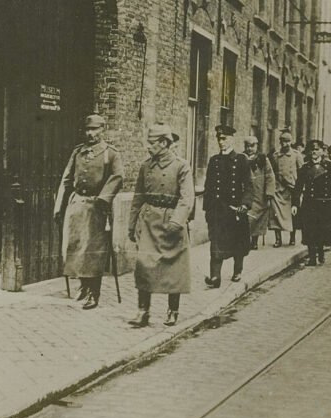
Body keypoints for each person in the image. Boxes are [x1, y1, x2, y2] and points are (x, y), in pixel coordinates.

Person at [54, 114, 124, 310]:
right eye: (88, 130)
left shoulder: (110, 154)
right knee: (76, 247)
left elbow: (118, 177)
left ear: (102, 130)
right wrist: (59, 206)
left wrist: (104, 200)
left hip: (96, 206)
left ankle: (94, 292)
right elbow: (66, 179)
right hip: (76, 204)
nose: (90, 133)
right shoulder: (78, 152)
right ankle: (83, 287)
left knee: (93, 251)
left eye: (95, 129)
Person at [128, 123, 194, 327]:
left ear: (164, 143)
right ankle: (143, 311)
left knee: (174, 268)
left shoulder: (181, 166)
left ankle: (173, 311)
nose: (148, 147)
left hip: (172, 220)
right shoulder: (146, 166)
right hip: (148, 221)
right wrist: (131, 225)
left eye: (152, 143)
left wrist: (176, 221)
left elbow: (186, 197)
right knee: (144, 266)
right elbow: (138, 197)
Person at [203, 125, 253, 287]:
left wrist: (245, 204)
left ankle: (237, 270)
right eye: (219, 138)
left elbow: (248, 185)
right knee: (216, 243)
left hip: (235, 210)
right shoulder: (214, 160)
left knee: (237, 243)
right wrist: (207, 209)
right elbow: (209, 186)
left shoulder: (241, 160)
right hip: (218, 210)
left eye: (224, 138)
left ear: (232, 139)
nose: (221, 142)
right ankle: (215, 277)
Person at [292, 140, 331, 265]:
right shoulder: (305, 168)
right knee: (310, 231)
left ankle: (321, 253)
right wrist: (295, 204)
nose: (314, 152)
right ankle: (312, 258)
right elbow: (298, 187)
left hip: (324, 204)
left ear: (322, 152)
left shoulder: (329, 167)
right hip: (310, 204)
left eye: (317, 150)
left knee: (322, 230)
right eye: (312, 150)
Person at [269, 131, 303, 247]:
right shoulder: (275, 155)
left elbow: (302, 172)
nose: (285, 144)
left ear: (291, 142)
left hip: (291, 189)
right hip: (278, 190)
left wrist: (299, 188)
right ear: (280, 142)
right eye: (283, 141)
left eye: (288, 141)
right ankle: (278, 239)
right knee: (276, 214)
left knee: (293, 215)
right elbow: (272, 172)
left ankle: (292, 238)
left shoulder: (296, 155)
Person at [243, 135, 276, 250]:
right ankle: (245, 239)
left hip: (260, 193)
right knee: (247, 217)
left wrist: (269, 193)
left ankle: (254, 241)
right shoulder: (241, 158)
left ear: (257, 146)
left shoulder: (263, 159)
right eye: (247, 146)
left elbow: (270, 176)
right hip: (246, 192)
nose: (249, 149)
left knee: (258, 218)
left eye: (252, 146)